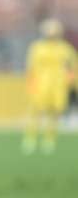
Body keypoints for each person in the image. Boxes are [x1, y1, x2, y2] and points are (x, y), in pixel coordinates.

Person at [23, 18, 77, 154]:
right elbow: (31, 67)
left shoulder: (65, 49)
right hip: (40, 84)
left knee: (55, 112)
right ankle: (30, 138)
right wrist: (30, 83)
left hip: (58, 85)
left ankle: (49, 139)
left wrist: (70, 82)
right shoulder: (37, 48)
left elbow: (73, 67)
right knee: (36, 111)